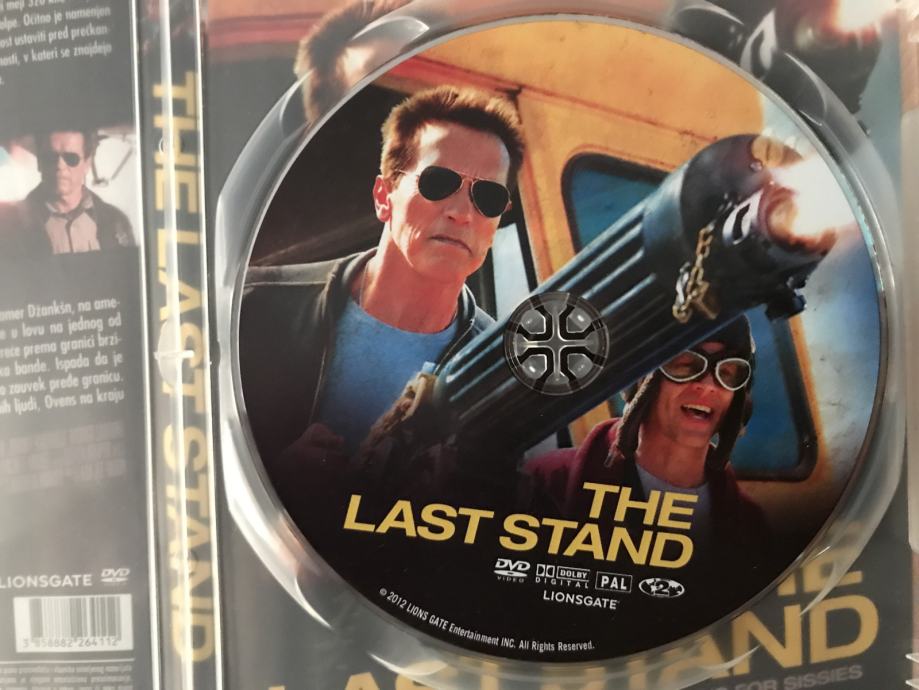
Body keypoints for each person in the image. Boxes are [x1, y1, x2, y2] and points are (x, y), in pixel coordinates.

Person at [239, 85, 526, 474]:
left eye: (488, 197)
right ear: (383, 196)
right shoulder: (251, 309)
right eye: (438, 183)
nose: (462, 212)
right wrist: (277, 479)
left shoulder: (500, 372)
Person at [527, 317, 769, 562]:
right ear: (642, 381)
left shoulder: (752, 527)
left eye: (727, 372)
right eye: (686, 365)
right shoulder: (546, 483)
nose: (708, 386)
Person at [0, 130, 133, 256]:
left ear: (87, 163)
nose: (60, 165)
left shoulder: (116, 222)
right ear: (40, 163)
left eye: (71, 158)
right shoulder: (8, 225)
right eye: (50, 157)